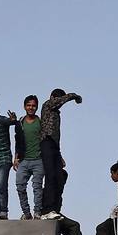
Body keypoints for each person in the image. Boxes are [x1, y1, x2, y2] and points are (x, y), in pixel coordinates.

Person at [37, 88, 83, 219]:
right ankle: (46, 209)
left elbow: (56, 136)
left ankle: (55, 208)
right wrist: (74, 96)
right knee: (50, 176)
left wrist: (59, 154)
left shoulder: (56, 113)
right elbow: (58, 101)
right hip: (46, 142)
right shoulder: (48, 104)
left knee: (60, 176)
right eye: (56, 98)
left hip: (54, 146)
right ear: (52, 97)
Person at [12, 94, 45, 220]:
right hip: (24, 160)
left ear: (36, 107)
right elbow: (17, 140)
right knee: (20, 186)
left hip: (38, 160)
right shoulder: (20, 122)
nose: (31, 107)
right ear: (24, 106)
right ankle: (26, 213)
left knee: (37, 187)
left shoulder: (41, 121)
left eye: (33, 105)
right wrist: (16, 157)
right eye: (28, 105)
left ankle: (37, 212)